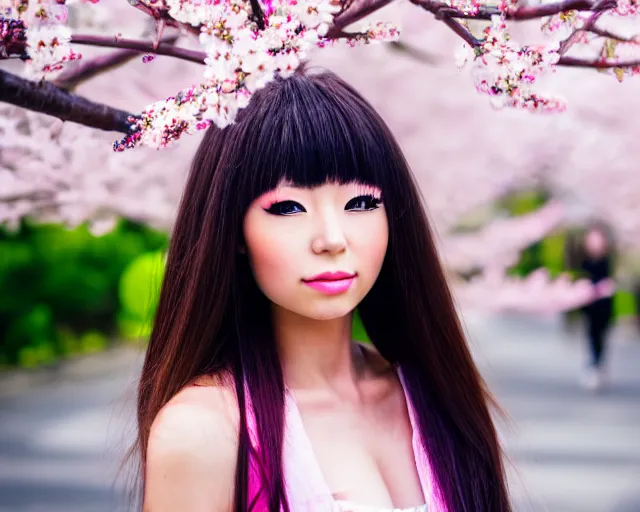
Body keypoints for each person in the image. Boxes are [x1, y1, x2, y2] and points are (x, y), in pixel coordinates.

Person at [135, 69, 512, 511]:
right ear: (232, 229)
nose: (332, 239)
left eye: (362, 203)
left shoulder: (436, 394)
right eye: (289, 207)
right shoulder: (205, 431)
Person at [578, 223, 616, 391]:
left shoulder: (607, 261)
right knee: (592, 335)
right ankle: (594, 364)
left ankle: (598, 364)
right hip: (590, 306)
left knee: (600, 336)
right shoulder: (585, 261)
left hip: (604, 306)